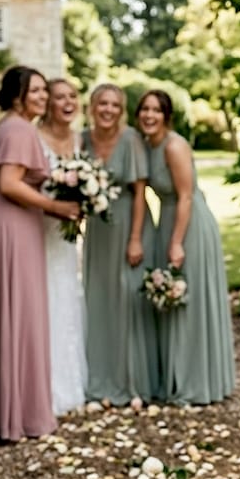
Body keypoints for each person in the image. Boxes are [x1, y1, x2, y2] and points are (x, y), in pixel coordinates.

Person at [0, 65, 80, 442]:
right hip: (11, 230)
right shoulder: (20, 129)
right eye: (36, 91)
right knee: (16, 316)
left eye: (45, 91)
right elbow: (9, 183)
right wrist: (55, 207)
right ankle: (12, 416)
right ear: (16, 95)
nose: (43, 97)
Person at [136, 89, 235, 405]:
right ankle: (175, 376)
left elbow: (187, 196)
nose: (149, 116)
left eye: (156, 110)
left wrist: (176, 242)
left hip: (189, 223)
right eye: (145, 110)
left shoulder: (174, 145)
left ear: (167, 116)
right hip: (167, 220)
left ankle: (197, 381)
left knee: (188, 300)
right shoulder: (146, 145)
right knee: (170, 300)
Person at [81, 83, 161, 406]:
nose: (108, 110)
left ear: (122, 110)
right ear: (92, 106)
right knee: (98, 300)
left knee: (127, 300)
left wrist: (135, 239)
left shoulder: (130, 140)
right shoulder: (83, 140)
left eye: (114, 104)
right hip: (98, 232)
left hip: (130, 226)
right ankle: (99, 376)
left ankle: (132, 382)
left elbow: (140, 193)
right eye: (102, 103)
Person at [37, 78, 89, 416]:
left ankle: (68, 379)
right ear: (48, 103)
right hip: (37, 227)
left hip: (65, 232)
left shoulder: (81, 139)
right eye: (59, 97)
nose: (67, 102)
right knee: (40, 297)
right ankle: (38, 381)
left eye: (73, 96)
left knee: (66, 292)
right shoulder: (32, 136)